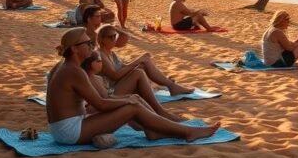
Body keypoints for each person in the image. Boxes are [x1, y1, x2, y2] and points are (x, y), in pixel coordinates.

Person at [45, 27, 219, 145]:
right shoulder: (73, 70)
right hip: (69, 132)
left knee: (131, 101)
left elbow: (97, 101)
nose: (92, 46)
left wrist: (127, 99)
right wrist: (128, 99)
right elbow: (101, 104)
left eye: (92, 43)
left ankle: (156, 130)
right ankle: (187, 132)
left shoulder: (64, 66)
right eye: (88, 44)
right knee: (132, 106)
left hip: (64, 127)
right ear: (74, 49)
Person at [95, 24, 190, 120]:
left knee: (143, 65)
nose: (114, 39)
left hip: (117, 85)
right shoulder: (101, 55)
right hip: (110, 92)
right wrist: (138, 61)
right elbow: (115, 76)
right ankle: (161, 111)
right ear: (102, 39)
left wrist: (140, 62)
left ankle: (171, 87)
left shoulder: (110, 53)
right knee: (138, 72)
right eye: (110, 37)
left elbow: (123, 67)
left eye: (115, 36)